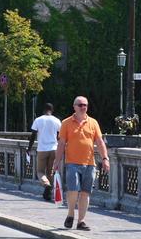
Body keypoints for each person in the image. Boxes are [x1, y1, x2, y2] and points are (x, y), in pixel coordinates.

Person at [52, 96, 110, 230]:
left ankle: (81, 221)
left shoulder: (93, 122)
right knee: (73, 190)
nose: (83, 107)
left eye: (85, 105)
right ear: (74, 107)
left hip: (90, 163)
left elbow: (100, 142)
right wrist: (57, 160)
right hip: (72, 162)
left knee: (85, 192)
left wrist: (105, 158)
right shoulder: (66, 123)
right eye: (80, 105)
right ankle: (71, 213)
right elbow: (61, 143)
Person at [27, 103, 61, 201]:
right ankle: (48, 194)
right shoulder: (56, 120)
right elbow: (60, 136)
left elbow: (33, 135)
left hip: (42, 149)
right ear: (52, 110)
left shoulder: (38, 120)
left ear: (43, 110)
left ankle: (46, 185)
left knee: (40, 171)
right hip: (54, 148)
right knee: (50, 172)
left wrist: (29, 148)